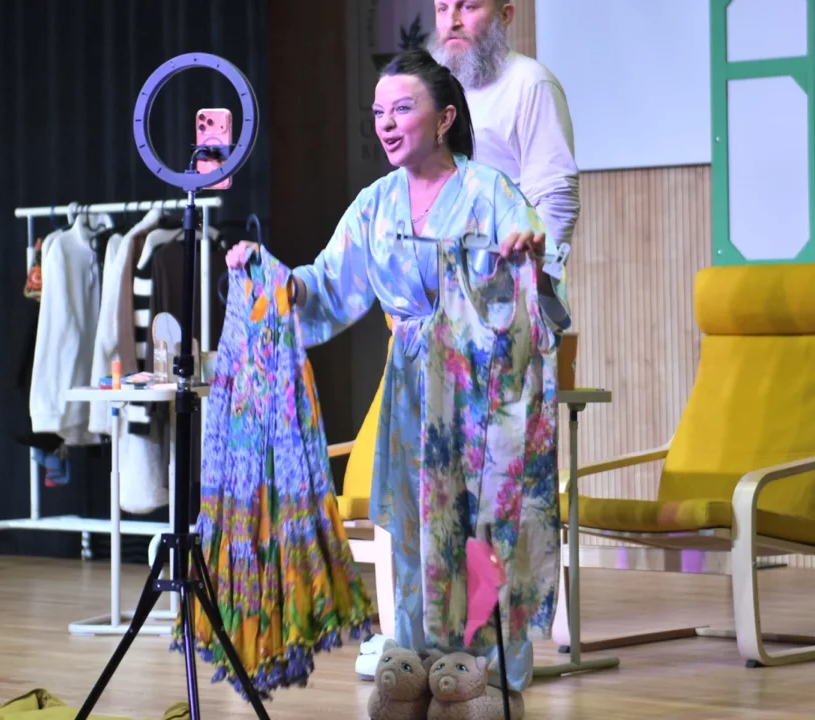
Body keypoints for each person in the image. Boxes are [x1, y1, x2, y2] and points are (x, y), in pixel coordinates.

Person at [226, 49, 568, 706]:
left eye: (402, 108)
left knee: (482, 525)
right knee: (410, 524)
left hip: (481, 384)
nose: (386, 123)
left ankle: (490, 665)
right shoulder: (374, 204)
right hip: (412, 381)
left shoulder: (489, 191)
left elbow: (534, 262)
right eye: (379, 111)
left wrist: (527, 256)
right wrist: (272, 278)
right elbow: (327, 285)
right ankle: (416, 656)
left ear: (444, 118)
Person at [429, 0, 579, 324]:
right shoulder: (428, 94)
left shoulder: (530, 82)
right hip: (438, 304)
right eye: (442, 8)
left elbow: (555, 199)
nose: (452, 21)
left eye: (468, 7)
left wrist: (532, 285)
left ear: (505, 15)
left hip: (508, 305)